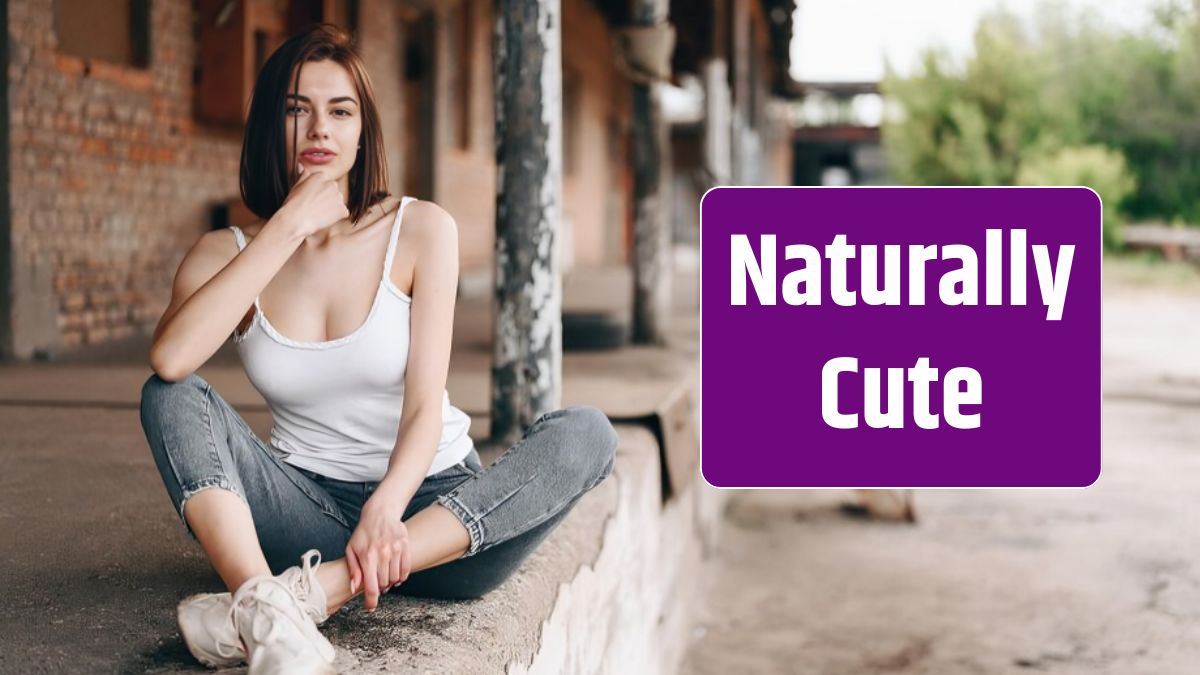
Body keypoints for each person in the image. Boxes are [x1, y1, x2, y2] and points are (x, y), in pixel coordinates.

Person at [139, 24, 617, 675]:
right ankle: (264, 605)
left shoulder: (421, 230)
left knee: (586, 432)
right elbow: (171, 360)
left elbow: (425, 405)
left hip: (431, 523)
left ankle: (305, 596)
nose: (318, 130)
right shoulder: (227, 254)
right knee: (169, 395)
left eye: (340, 111)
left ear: (363, 132)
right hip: (301, 507)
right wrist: (287, 226)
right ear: (267, 128)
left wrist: (387, 510)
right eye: (295, 110)